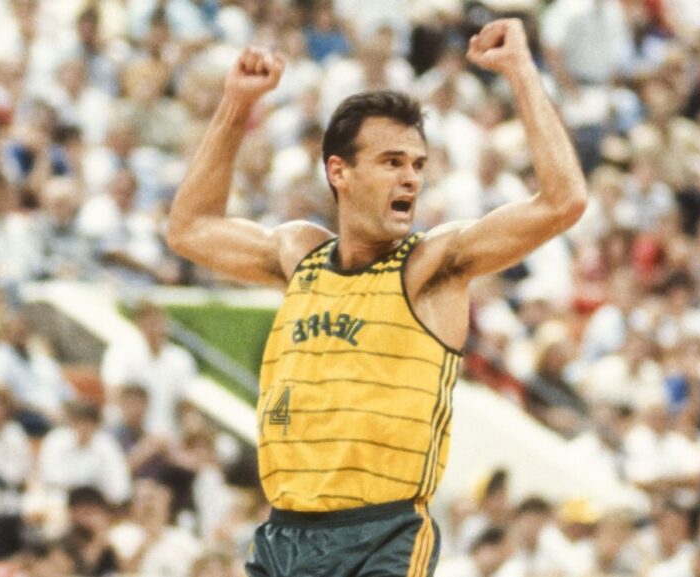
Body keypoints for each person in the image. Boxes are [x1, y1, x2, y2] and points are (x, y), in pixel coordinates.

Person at [166, 18, 587, 576]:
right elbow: (190, 228)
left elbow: (563, 202)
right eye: (392, 163)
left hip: (381, 533)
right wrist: (237, 103)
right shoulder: (300, 255)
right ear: (338, 171)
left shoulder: (429, 266)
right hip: (284, 533)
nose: (410, 179)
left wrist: (520, 71)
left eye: (418, 165)